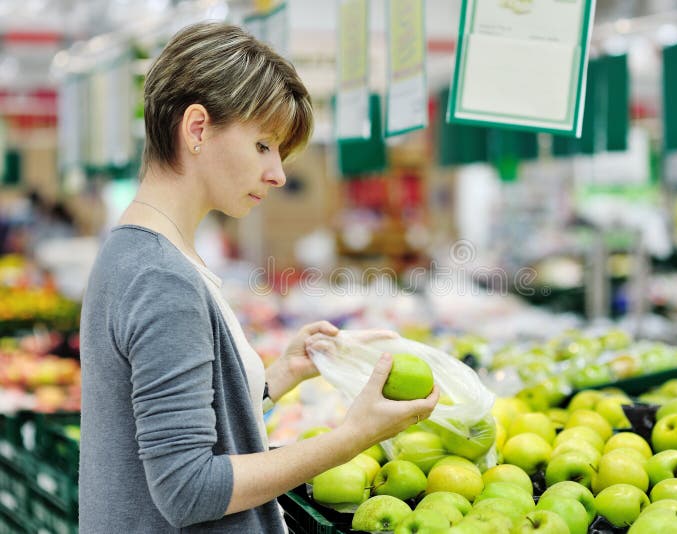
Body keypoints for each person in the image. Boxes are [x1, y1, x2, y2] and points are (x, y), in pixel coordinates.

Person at [79, 22, 438, 533]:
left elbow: (167, 424)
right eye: (264, 146)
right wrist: (351, 436)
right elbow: (188, 489)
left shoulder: (135, 249)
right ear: (198, 129)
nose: (279, 175)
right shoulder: (161, 277)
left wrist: (277, 377)